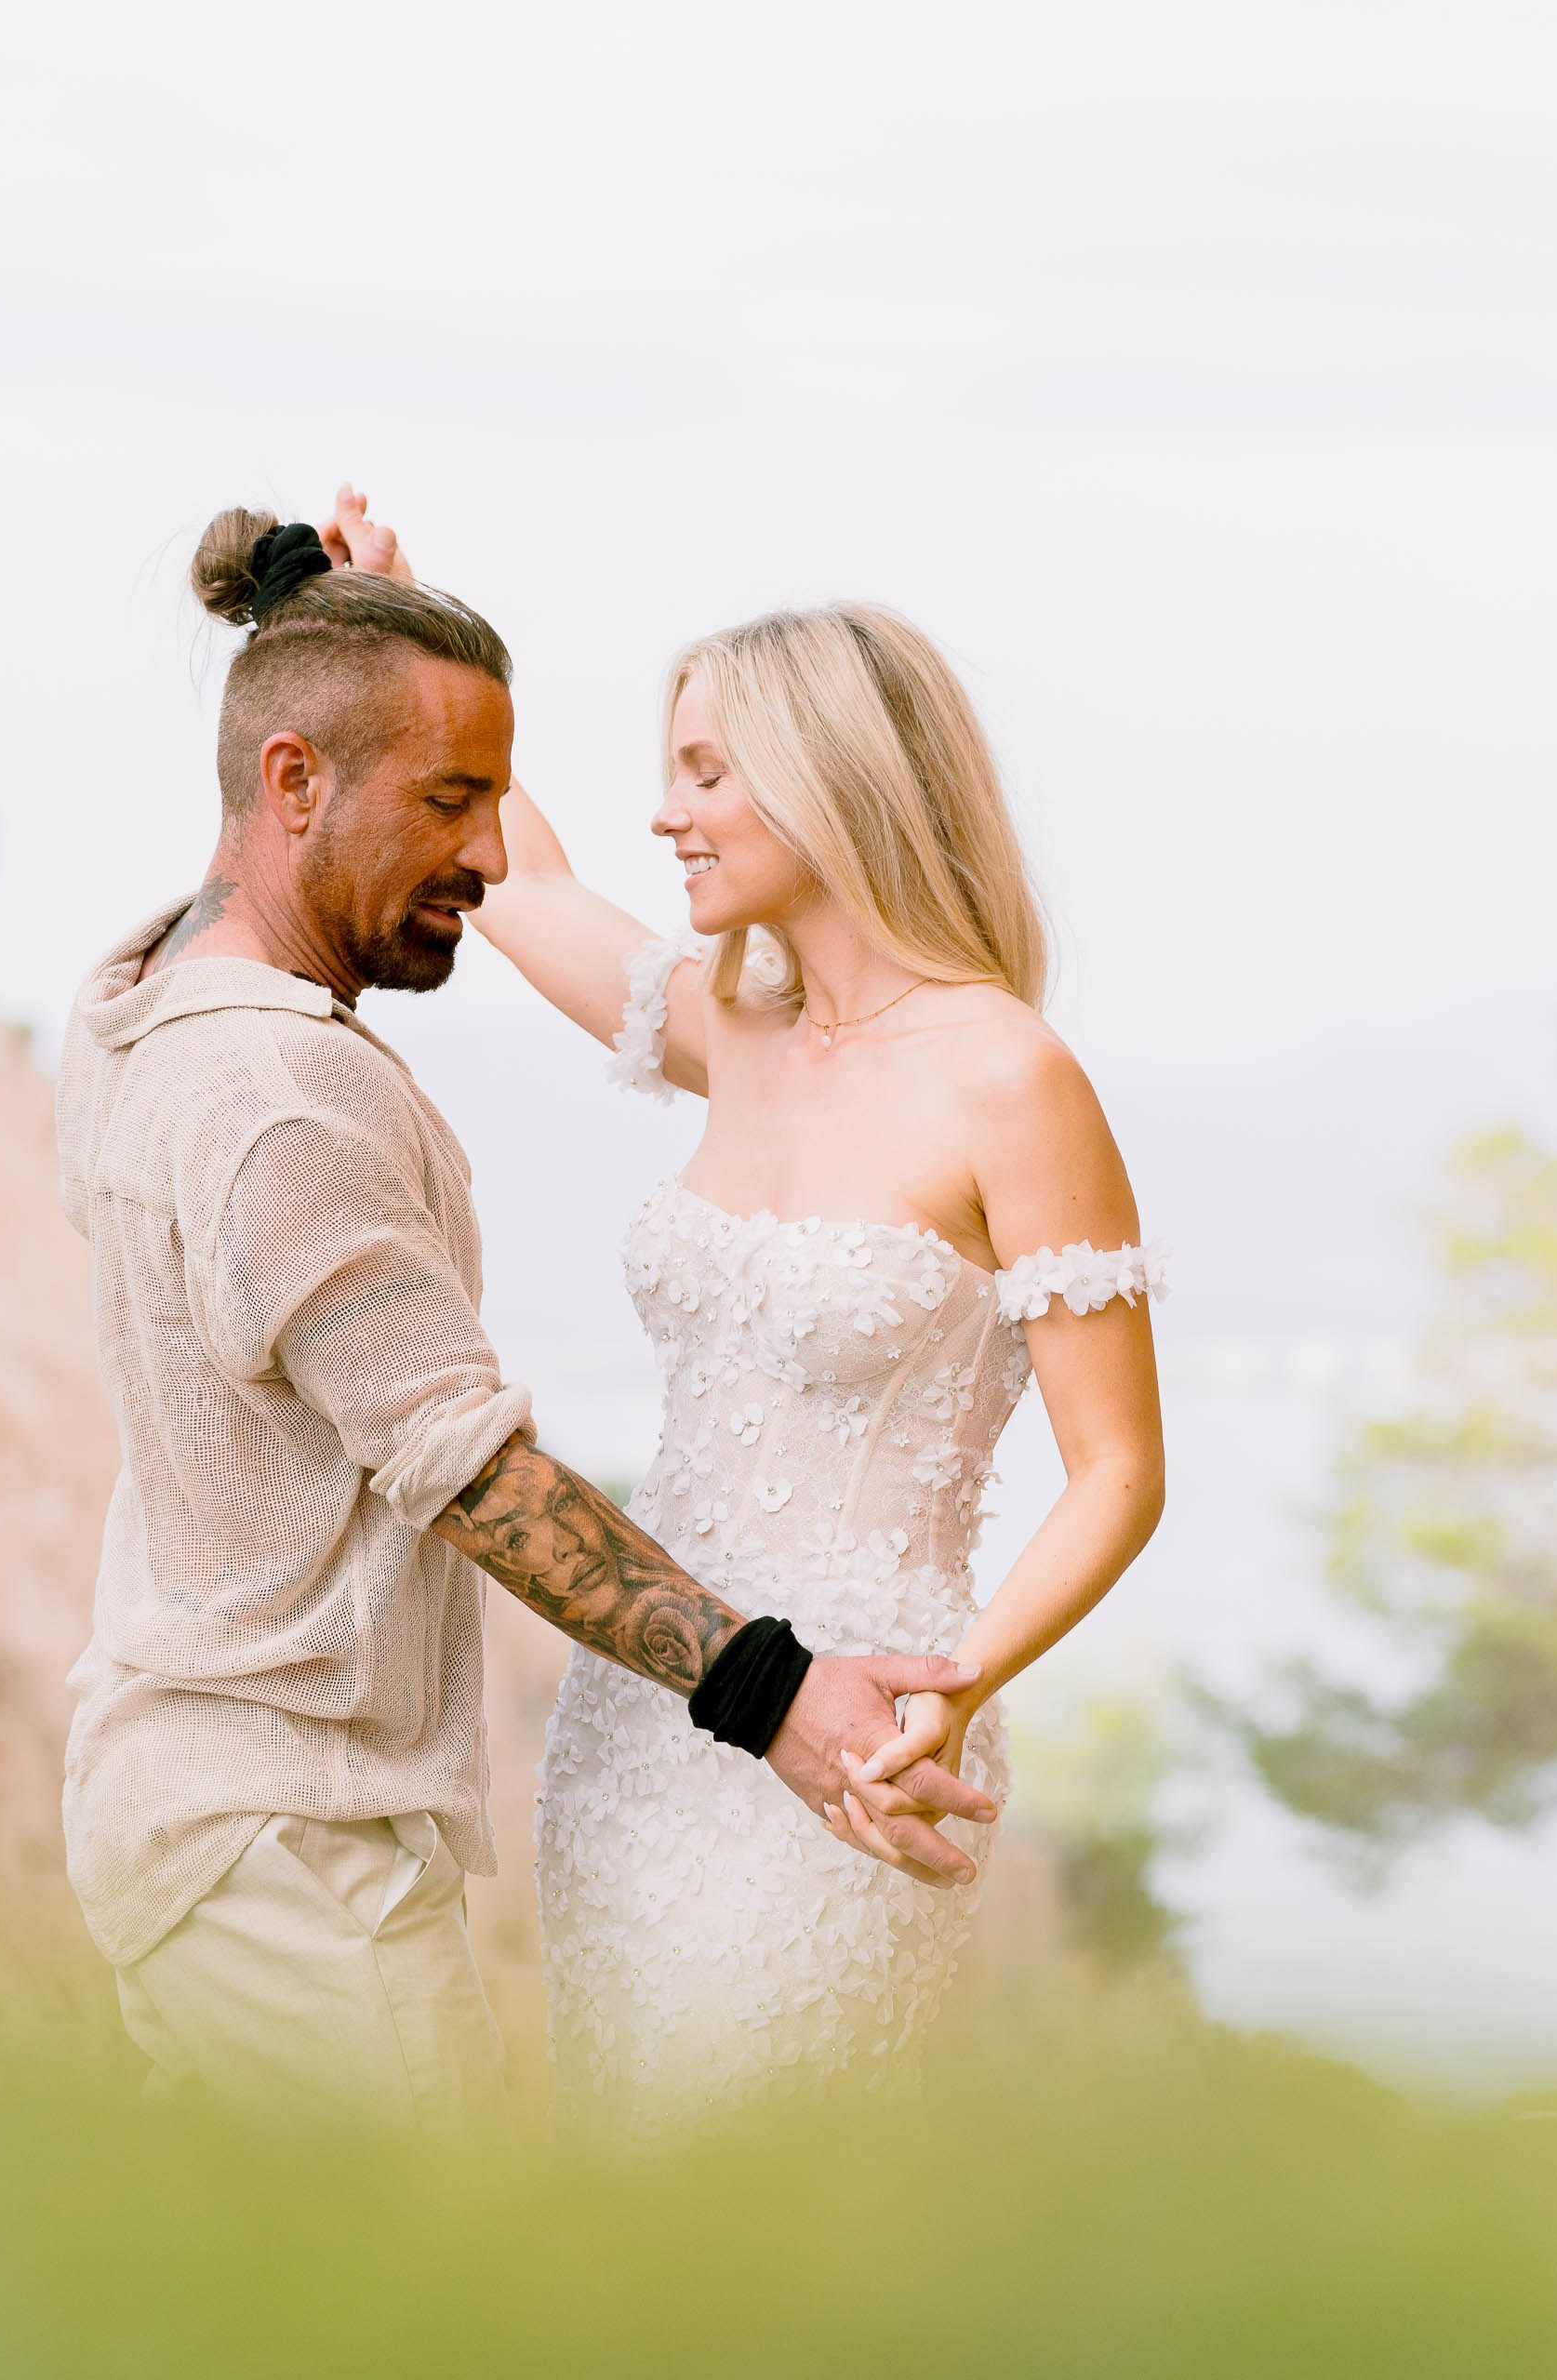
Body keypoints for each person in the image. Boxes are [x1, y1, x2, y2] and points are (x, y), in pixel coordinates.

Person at [55, 509, 993, 2126]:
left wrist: (344, 621)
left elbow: (496, 866)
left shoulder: (133, 996)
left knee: (233, 2307)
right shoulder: (288, 1098)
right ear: (293, 784)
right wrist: (778, 1701)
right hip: (296, 1831)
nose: (489, 854)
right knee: (408, 2324)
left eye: (491, 798)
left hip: (180, 1794)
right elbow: (477, 1479)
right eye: (447, 800)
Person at [318, 488, 1168, 2130]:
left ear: (829, 780)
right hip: (646, 1720)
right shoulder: (733, 1022)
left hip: (866, 1738)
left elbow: (1120, 1472)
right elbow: (511, 874)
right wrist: (398, 642)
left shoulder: (1012, 1079)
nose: (668, 817)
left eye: (704, 774)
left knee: (764, 2185)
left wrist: (953, 1696)